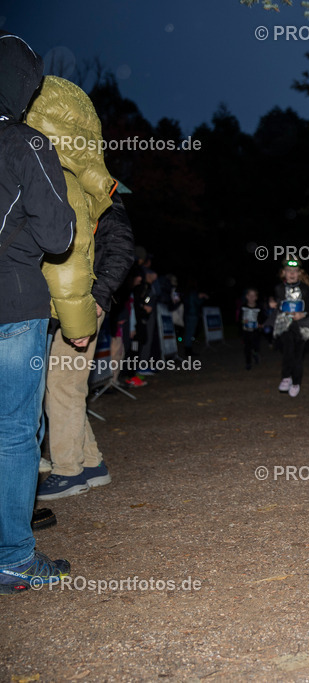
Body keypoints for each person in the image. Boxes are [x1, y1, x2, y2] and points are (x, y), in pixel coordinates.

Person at [0, 31, 77, 592]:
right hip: (14, 307)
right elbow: (59, 235)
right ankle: (13, 556)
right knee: (12, 433)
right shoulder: (26, 144)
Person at [28, 76, 119, 501]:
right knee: (65, 385)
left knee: (63, 386)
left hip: (83, 301)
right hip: (67, 301)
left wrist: (98, 300)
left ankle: (68, 468)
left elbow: (118, 248)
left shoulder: (100, 191)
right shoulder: (68, 177)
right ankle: (91, 462)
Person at [268, 258, 309, 398]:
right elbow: (277, 301)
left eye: (295, 271)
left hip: (301, 326)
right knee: (288, 351)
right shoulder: (279, 288)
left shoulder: (305, 289)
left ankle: (296, 382)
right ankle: (286, 376)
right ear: (283, 273)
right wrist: (272, 302)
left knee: (298, 356)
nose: (292, 273)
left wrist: (302, 314)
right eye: (289, 271)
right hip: (285, 324)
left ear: (299, 273)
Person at [240, 287, 264, 370]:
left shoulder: (259, 307)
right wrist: (243, 322)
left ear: (256, 297)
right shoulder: (242, 307)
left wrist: (261, 324)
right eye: (250, 295)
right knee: (247, 347)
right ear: (246, 296)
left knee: (255, 346)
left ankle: (255, 354)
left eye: (253, 296)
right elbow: (238, 319)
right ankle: (248, 363)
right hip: (246, 331)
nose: (251, 297)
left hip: (256, 331)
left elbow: (262, 318)